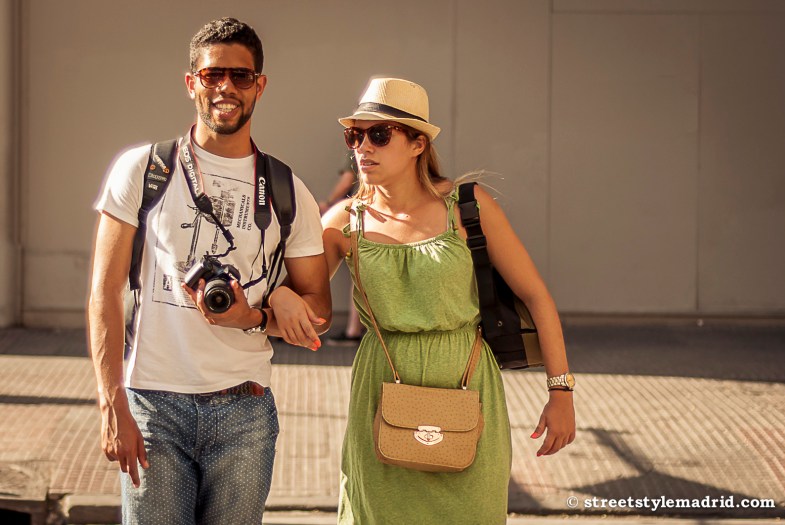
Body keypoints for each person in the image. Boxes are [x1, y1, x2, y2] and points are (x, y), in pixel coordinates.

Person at [87, 18, 331, 525]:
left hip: (244, 409)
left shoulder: (287, 189)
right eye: (212, 74)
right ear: (191, 82)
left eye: (241, 76)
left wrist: (260, 312)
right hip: (153, 403)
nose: (226, 87)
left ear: (259, 85)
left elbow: (319, 314)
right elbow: (105, 292)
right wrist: (113, 404)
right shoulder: (144, 169)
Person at [322, 77, 576, 523]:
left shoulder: (468, 207)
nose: (363, 146)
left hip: (467, 380)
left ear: (418, 143)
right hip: (381, 388)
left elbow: (537, 296)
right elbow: (304, 302)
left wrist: (561, 393)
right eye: (355, 135)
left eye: (379, 134)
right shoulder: (342, 221)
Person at [319, 155, 365, 346]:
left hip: (362, 212)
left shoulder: (360, 144)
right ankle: (354, 329)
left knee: (362, 273)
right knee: (363, 273)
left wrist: (329, 203)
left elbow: (347, 180)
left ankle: (353, 330)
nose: (364, 145)